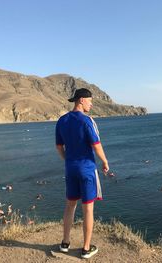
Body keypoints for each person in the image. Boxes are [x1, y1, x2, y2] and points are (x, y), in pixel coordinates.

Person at [55, 88, 109, 259]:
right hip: (86, 169)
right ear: (81, 100)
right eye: (90, 100)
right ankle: (86, 248)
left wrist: (68, 160)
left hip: (70, 169)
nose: (91, 104)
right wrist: (105, 162)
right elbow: (96, 145)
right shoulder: (87, 121)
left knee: (70, 205)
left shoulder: (62, 121)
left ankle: (65, 243)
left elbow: (59, 147)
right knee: (88, 209)